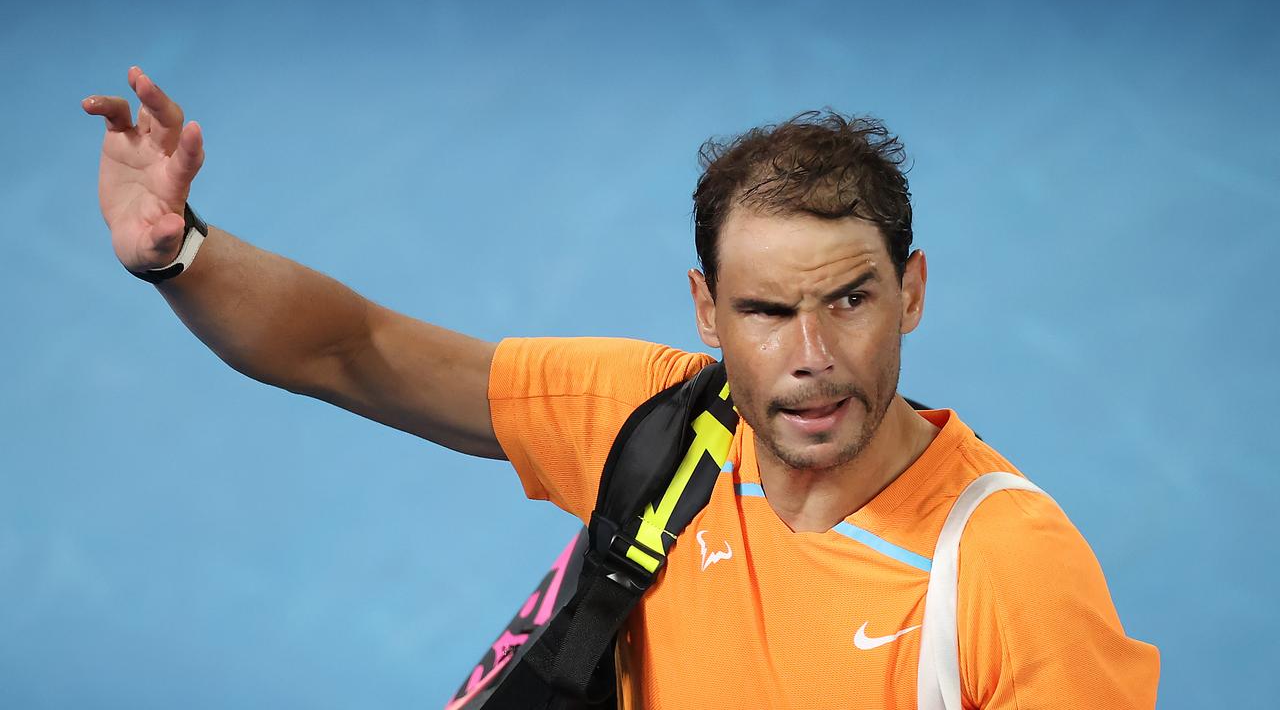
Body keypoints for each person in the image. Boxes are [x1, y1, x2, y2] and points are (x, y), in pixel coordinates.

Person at [83, 66, 1160, 709]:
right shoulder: (654, 420)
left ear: (910, 293)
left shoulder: (1006, 571)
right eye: (766, 311)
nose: (812, 354)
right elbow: (355, 350)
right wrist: (182, 255)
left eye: (848, 301)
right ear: (705, 312)